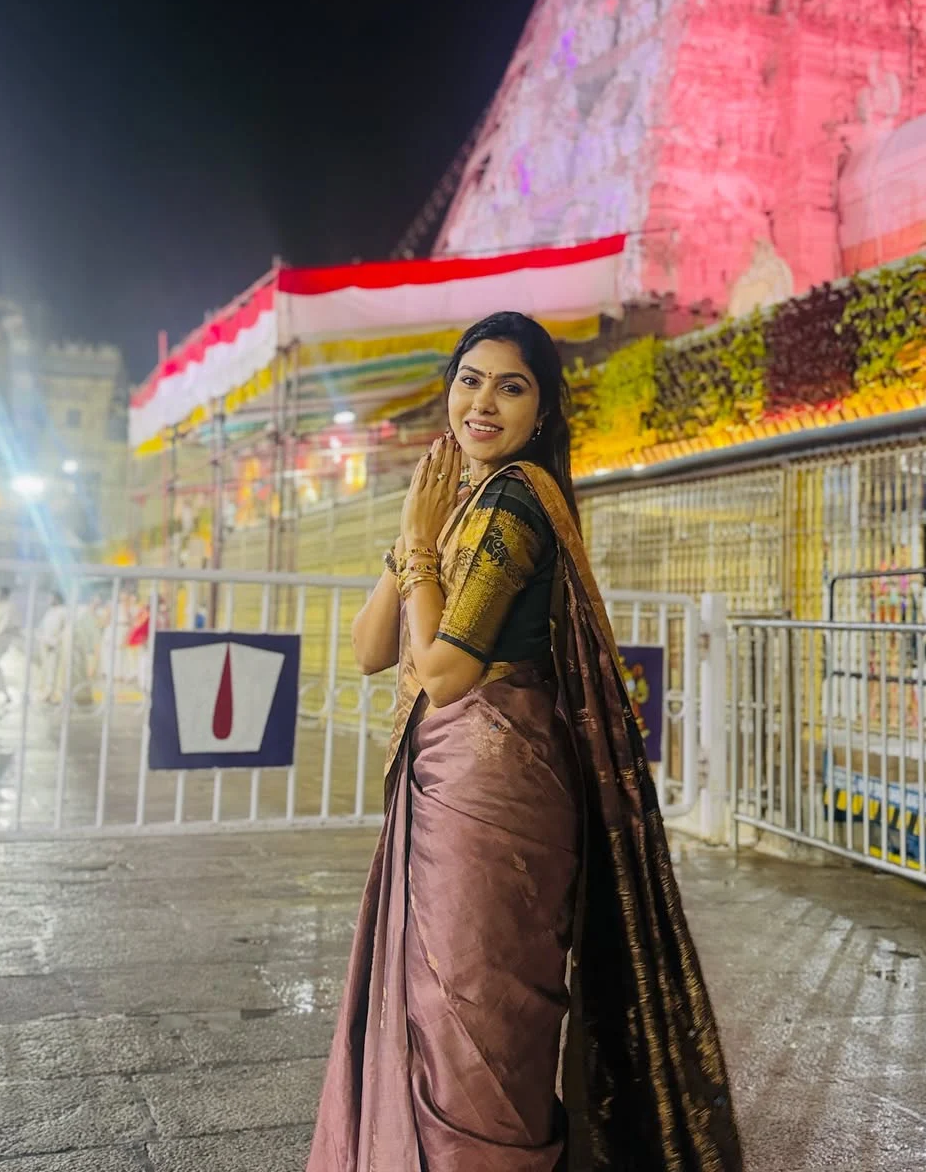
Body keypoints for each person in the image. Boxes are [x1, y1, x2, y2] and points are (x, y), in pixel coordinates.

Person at [308, 312, 742, 1172]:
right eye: (471, 379)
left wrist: (421, 547)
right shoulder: (454, 499)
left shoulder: (516, 501)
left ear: (541, 413)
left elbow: (442, 675)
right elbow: (368, 651)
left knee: (476, 1021)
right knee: (439, 1016)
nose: (484, 401)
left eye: (512, 386)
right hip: (449, 783)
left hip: (496, 792)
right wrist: (411, 540)